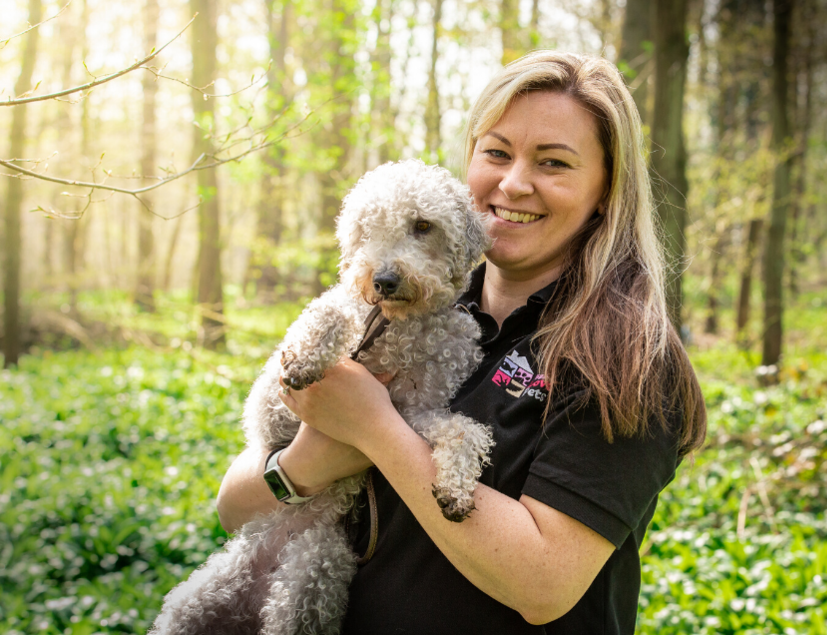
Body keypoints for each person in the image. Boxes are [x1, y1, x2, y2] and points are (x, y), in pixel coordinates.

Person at [216, 50, 707, 634]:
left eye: (553, 163)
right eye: (496, 152)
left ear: (606, 189)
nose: (514, 182)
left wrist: (373, 429)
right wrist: (304, 463)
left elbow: (544, 585)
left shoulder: (626, 355)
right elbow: (232, 506)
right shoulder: (403, 303)